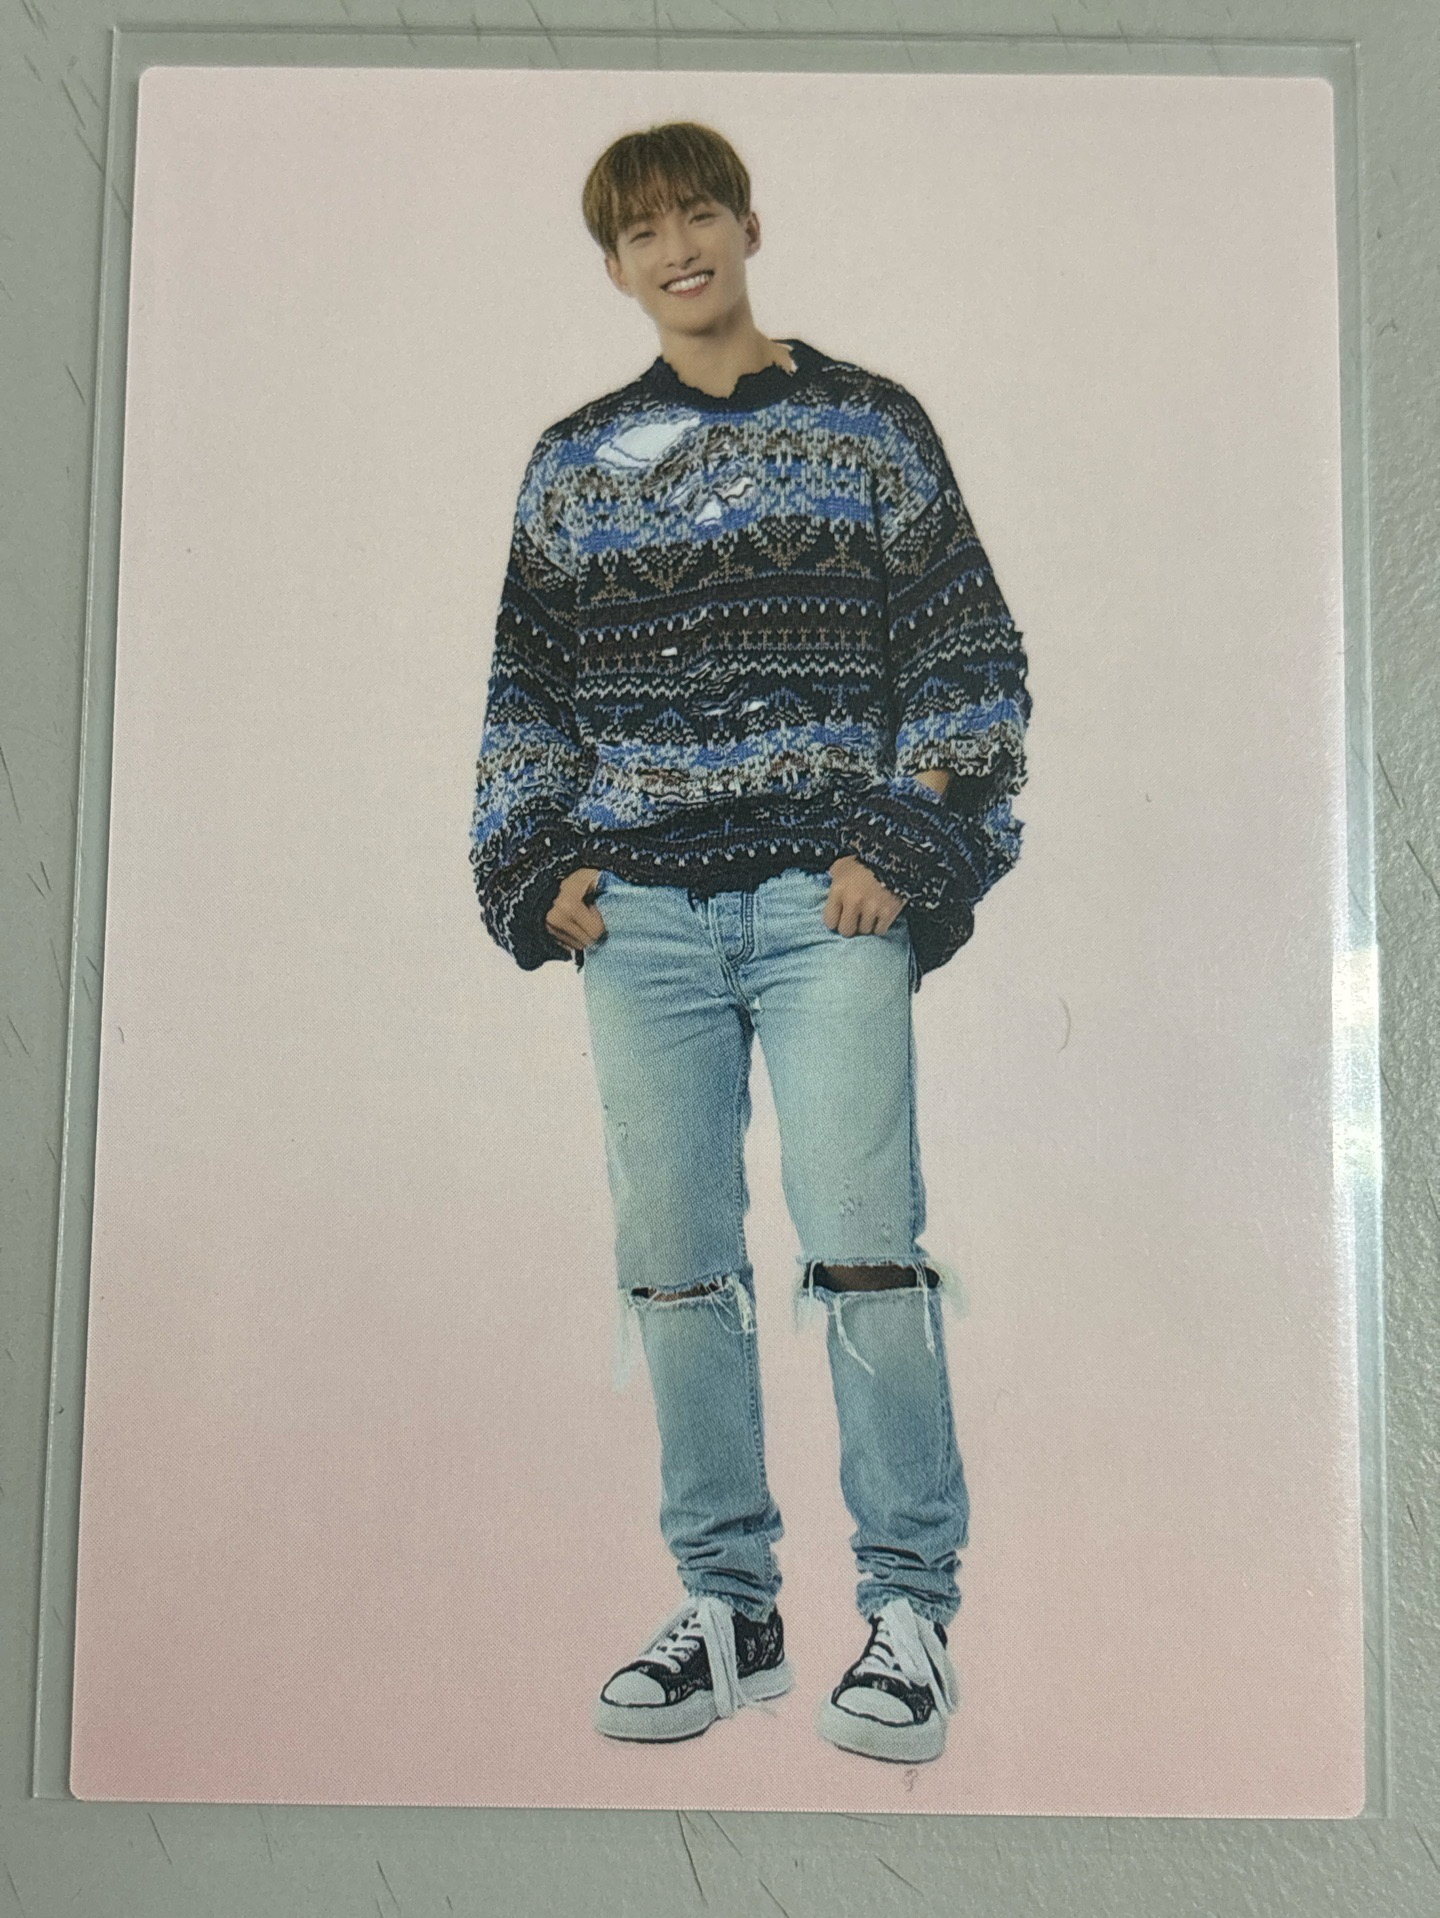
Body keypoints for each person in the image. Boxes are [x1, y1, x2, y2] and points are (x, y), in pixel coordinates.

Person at [469, 120, 1031, 1765]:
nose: (678, 248)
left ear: (748, 225)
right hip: (638, 917)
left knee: (862, 1244)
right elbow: (527, 691)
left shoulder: (869, 424)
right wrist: (536, 865)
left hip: (822, 899)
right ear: (615, 265)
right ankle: (730, 1608)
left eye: (698, 212)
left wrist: (902, 840)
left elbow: (968, 651)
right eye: (643, 231)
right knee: (674, 1264)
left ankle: (909, 1609)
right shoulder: (575, 460)